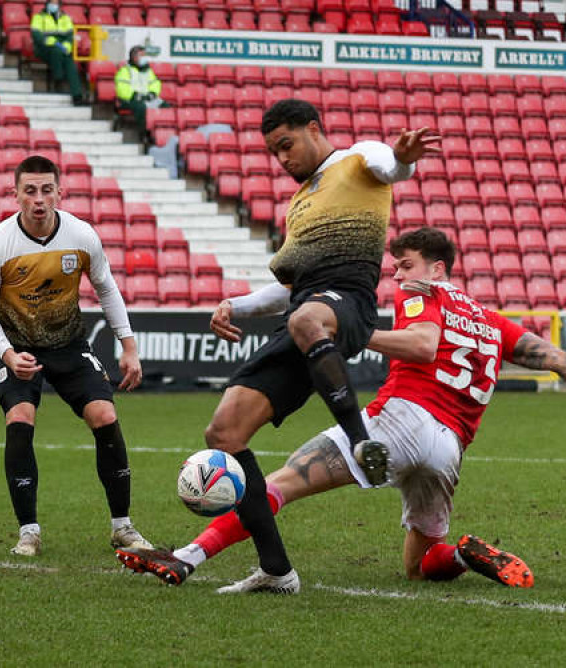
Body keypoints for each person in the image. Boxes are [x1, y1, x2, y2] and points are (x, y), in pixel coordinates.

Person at [117, 227, 566, 592]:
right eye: (396, 267)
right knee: (419, 567)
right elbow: (554, 357)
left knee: (277, 485)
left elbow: (420, 345)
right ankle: (464, 556)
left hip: (401, 420)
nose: (399, 274)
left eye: (408, 264)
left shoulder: (424, 295)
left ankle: (187, 557)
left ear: (437, 268)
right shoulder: (491, 319)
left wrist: (352, 330)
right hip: (448, 451)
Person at [119, 98, 438, 593]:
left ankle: (360, 440)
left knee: (309, 317)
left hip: (348, 305)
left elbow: (390, 165)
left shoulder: (358, 159)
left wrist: (405, 158)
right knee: (224, 431)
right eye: (274, 152)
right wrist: (234, 305)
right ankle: (276, 569)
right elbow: (290, 289)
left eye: (287, 145)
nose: (282, 159)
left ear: (315, 129)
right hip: (302, 317)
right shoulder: (300, 204)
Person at [0, 155, 151, 557]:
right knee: (21, 418)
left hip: (69, 345)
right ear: (15, 194)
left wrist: (129, 346)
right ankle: (28, 531)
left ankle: (123, 526)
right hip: (18, 348)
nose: (39, 199)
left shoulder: (81, 235)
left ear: (59, 192)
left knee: (105, 416)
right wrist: (7, 354)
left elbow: (107, 289)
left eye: (46, 190)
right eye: (30, 191)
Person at [30, 0, 85, 106]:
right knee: (58, 52)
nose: (53, 5)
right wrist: (48, 41)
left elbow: (69, 35)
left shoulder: (65, 18)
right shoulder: (39, 17)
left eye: (56, 3)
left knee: (70, 61)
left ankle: (77, 96)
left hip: (60, 47)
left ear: (59, 5)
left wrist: (68, 46)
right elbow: (36, 35)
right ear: (47, 4)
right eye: (52, 3)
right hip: (44, 48)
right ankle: (58, 77)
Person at [114, 46, 166, 136]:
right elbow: (121, 88)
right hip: (131, 99)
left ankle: (163, 132)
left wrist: (153, 93)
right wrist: (135, 95)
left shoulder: (148, 70)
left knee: (165, 106)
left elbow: (155, 83)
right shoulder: (125, 70)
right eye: (142, 55)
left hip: (148, 98)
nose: (144, 58)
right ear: (134, 57)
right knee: (142, 108)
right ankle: (145, 134)